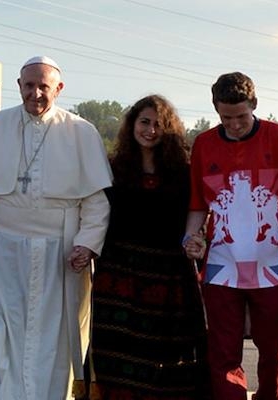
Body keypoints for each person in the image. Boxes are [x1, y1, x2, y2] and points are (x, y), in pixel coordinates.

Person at [0, 56, 112, 400]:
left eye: (44, 87)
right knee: (0, 332)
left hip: (59, 251)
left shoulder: (81, 132)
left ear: (59, 88)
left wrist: (86, 244)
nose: (35, 93)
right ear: (19, 85)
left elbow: (96, 202)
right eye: (29, 85)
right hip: (4, 250)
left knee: (53, 338)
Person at [182, 71, 278, 400]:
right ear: (216, 109)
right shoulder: (204, 144)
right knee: (223, 350)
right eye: (226, 118)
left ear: (254, 104)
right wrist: (191, 237)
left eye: (241, 116)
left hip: (271, 262)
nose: (235, 125)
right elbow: (198, 204)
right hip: (221, 264)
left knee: (276, 348)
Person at [90, 94, 207, 399]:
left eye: (158, 124)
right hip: (118, 276)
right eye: (144, 122)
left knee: (167, 357)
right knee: (117, 353)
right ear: (132, 124)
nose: (150, 130)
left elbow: (199, 214)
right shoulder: (112, 169)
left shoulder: (184, 173)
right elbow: (93, 214)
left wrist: (197, 241)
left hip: (169, 277)